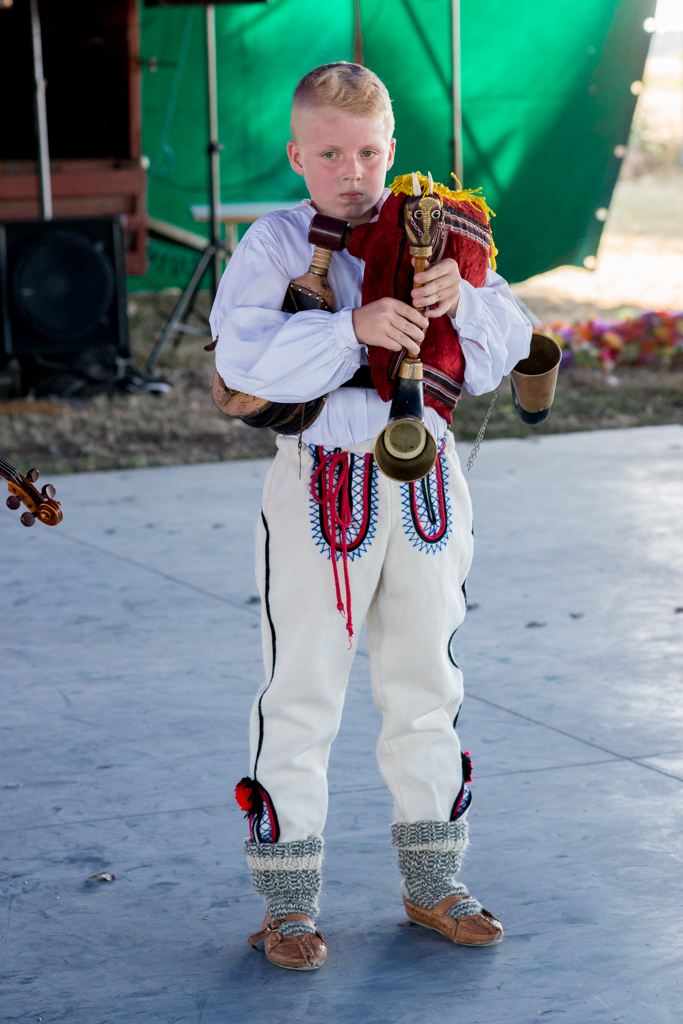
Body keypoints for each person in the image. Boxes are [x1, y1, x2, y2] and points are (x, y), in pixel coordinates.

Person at [210, 62, 531, 971]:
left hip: (425, 481)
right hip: (319, 482)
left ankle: (433, 884)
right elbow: (243, 360)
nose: (352, 172)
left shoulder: (436, 231)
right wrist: (350, 329)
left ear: (391, 150)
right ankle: (288, 903)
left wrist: (458, 300)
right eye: (329, 155)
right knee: (301, 689)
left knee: (426, 679)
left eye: (368, 153)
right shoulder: (274, 244)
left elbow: (507, 345)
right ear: (296, 156)